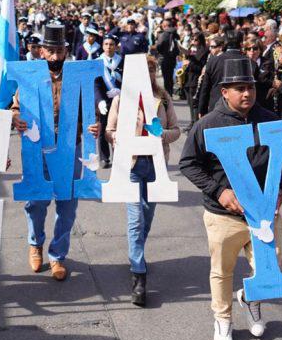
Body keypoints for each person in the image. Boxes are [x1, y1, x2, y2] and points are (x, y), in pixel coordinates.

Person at [179, 58, 282, 340]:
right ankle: (223, 318)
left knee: (273, 267)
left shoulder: (270, 119)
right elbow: (189, 164)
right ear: (224, 91)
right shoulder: (207, 124)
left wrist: (279, 188)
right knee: (222, 271)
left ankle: (249, 298)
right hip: (223, 216)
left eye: (251, 88)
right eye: (240, 88)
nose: (247, 94)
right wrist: (219, 192)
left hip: (265, 213)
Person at [11, 23, 101, 281]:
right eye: (50, 51)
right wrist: (15, 117)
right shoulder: (31, 76)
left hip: (71, 148)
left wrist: (94, 126)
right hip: (39, 148)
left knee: (68, 205)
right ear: (41, 52)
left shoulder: (77, 78)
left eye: (59, 51)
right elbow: (15, 107)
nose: (55, 56)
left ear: (65, 52)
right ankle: (35, 243)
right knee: (37, 202)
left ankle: (57, 255)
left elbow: (90, 113)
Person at [105, 55, 180, 306]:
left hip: (156, 165)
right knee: (135, 218)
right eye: (141, 69)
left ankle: (136, 253)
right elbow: (109, 130)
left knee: (146, 218)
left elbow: (176, 130)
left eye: (150, 69)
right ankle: (139, 275)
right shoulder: (121, 99)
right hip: (132, 165)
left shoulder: (164, 98)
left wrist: (161, 135)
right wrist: (116, 139)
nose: (146, 73)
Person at [197, 30, 244, 116]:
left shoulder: (213, 62)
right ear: (241, 44)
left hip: (216, 108)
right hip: (241, 108)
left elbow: (205, 88)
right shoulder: (249, 62)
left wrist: (201, 109)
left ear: (225, 43)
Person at [95, 35, 123, 168]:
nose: (108, 47)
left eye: (111, 44)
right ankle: (104, 158)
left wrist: (121, 91)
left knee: (119, 129)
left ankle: (119, 155)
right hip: (104, 101)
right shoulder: (97, 62)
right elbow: (96, 84)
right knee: (103, 129)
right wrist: (100, 100)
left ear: (116, 46)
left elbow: (129, 80)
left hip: (120, 99)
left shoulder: (122, 61)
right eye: (105, 44)